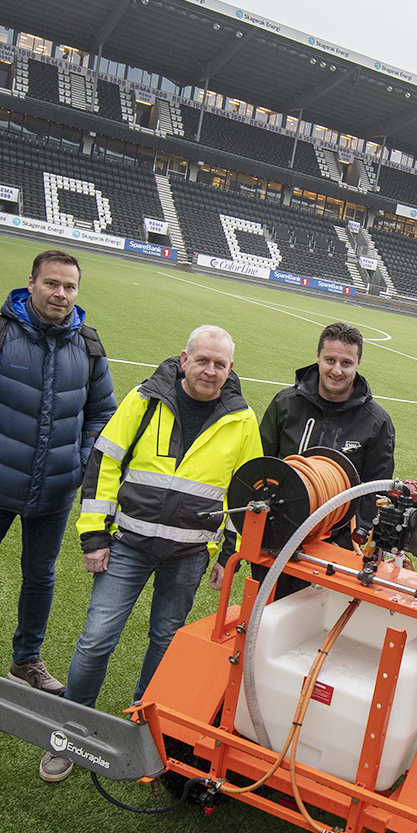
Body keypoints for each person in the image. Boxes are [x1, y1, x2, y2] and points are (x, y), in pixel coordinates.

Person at [51, 325, 263, 781]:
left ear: (230, 369)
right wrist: (93, 535)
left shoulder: (243, 419)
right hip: (127, 545)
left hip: (188, 557)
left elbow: (246, 495)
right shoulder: (145, 398)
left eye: (219, 364)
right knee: (96, 638)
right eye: (202, 360)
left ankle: (141, 725)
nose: (210, 370)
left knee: (166, 642)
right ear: (183, 359)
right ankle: (72, 728)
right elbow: (104, 462)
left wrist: (229, 554)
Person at [0, 249, 114, 711]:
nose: (61, 294)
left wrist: (77, 464)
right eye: (52, 284)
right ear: (31, 283)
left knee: (40, 577)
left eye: (69, 287)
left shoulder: (90, 346)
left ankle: (26, 660)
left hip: (55, 490)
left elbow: (102, 416)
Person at [257, 321, 396, 555]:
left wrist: (353, 536)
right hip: (280, 533)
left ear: (358, 364)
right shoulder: (285, 404)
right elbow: (262, 463)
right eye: (330, 360)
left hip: (335, 546)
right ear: (318, 356)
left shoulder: (376, 421)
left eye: (346, 363)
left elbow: (375, 488)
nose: (337, 370)